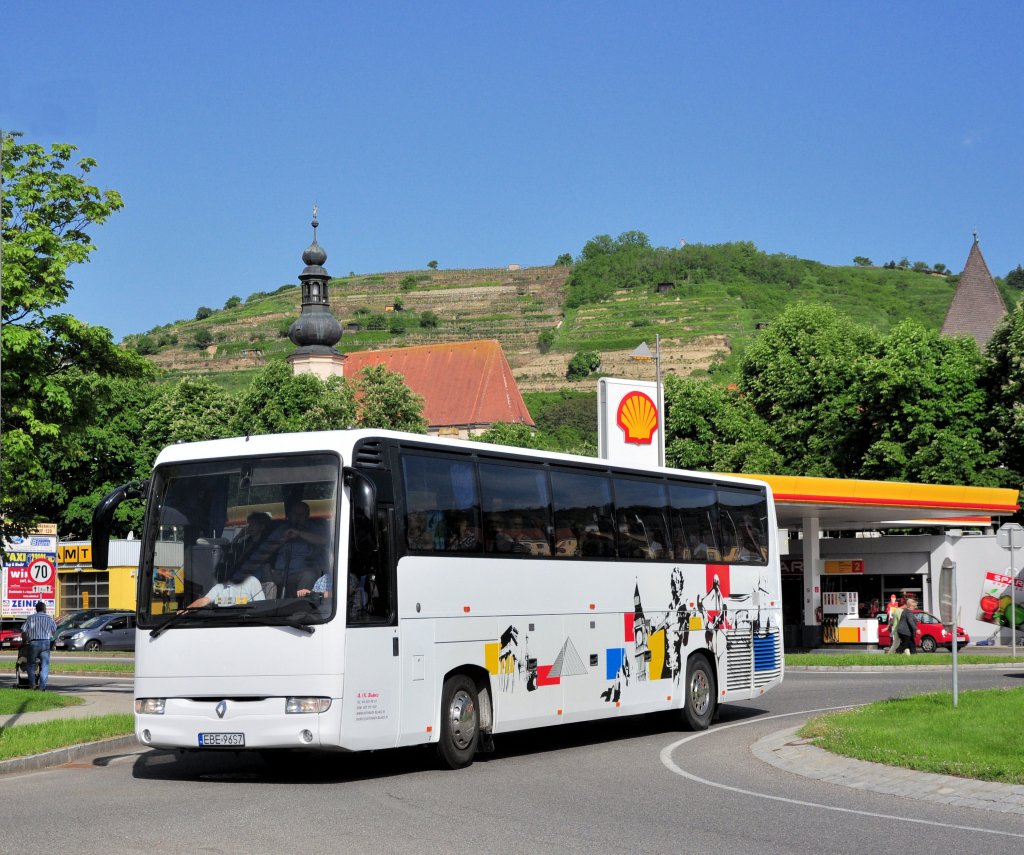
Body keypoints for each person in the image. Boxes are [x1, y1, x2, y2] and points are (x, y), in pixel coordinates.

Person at [270, 501, 328, 597]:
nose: (298, 516)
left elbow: (323, 540)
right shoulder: (281, 529)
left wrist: (299, 533)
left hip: (303, 572)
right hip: (280, 573)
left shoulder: (314, 527)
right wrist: (283, 539)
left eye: (301, 514)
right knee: (264, 580)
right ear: (289, 515)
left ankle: (301, 608)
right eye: (295, 514)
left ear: (307, 515)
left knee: (309, 575)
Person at [21, 601, 57, 691]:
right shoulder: (49, 618)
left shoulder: (30, 618)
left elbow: (24, 631)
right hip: (45, 643)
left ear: (36, 609)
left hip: (33, 644)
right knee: (45, 665)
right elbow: (54, 630)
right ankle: (42, 687)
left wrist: (24, 641)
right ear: (44, 609)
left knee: (30, 664)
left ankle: (32, 684)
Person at [188, 571, 265, 607]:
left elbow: (261, 607)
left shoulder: (252, 581)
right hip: (223, 623)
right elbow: (204, 600)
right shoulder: (219, 587)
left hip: (248, 624)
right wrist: (186, 610)